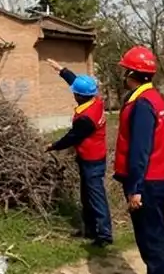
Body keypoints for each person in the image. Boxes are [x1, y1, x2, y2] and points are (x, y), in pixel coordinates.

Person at [114, 46, 164, 274]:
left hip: (146, 182)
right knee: (154, 237)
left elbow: (140, 149)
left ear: (132, 74)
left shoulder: (142, 104)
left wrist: (135, 188)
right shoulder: (152, 97)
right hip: (154, 178)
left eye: (125, 71)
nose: (123, 76)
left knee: (151, 240)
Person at [46, 59, 113, 247]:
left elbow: (71, 137)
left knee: (96, 195)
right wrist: (62, 70)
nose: (73, 93)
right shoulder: (95, 101)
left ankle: (104, 235)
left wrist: (53, 145)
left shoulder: (86, 118)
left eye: (75, 93)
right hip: (90, 157)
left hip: (92, 160)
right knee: (87, 195)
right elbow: (79, 84)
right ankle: (90, 228)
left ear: (79, 96)